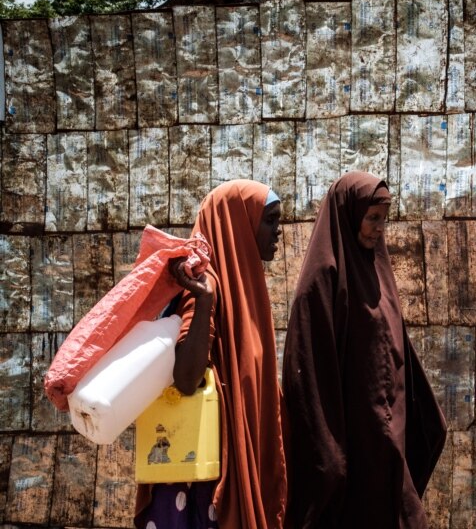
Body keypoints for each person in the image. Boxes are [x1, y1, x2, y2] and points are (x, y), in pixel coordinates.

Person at [282, 171, 447, 529]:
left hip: (386, 428)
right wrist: (329, 453)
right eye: (372, 218)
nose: (378, 228)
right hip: (352, 437)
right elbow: (308, 369)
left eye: (383, 219)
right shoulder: (321, 283)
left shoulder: (377, 271)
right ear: (348, 214)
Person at [135, 179, 288, 529]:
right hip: (201, 482)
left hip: (221, 465)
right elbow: (186, 379)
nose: (278, 231)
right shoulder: (205, 284)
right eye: (269, 220)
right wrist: (204, 301)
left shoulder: (245, 287)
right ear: (238, 225)